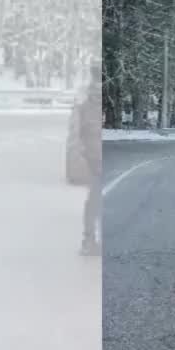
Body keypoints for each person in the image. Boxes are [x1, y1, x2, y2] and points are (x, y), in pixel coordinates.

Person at [79, 64, 103, 255]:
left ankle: (89, 240)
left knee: (95, 200)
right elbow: (81, 138)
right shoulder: (86, 108)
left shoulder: (87, 105)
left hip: (97, 158)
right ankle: (89, 240)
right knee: (94, 200)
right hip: (96, 160)